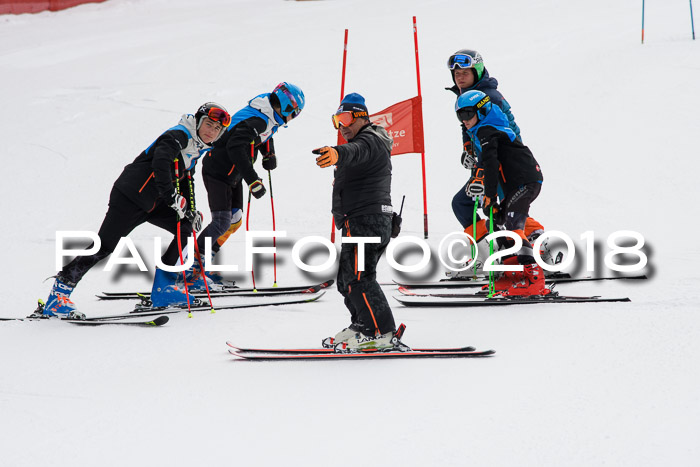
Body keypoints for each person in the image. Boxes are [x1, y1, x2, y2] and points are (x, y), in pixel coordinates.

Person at [41, 103, 231, 318]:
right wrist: (172, 196)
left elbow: (187, 177)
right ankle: (58, 296)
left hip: (155, 201)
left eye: (217, 129)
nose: (211, 131)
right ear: (197, 121)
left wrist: (191, 209)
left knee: (185, 228)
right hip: (131, 196)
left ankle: (164, 289)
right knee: (104, 246)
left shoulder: (196, 147)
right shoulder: (178, 135)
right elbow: (161, 162)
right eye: (208, 124)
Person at [185, 82, 305, 290]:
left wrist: (269, 154)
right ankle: (192, 270)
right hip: (218, 172)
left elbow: (266, 134)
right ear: (286, 107)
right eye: (294, 114)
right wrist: (253, 179)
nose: (293, 119)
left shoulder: (266, 115)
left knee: (234, 220)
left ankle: (204, 264)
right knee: (221, 222)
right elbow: (236, 147)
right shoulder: (257, 119)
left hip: (232, 174)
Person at [313, 93, 405, 351]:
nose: (341, 126)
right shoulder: (367, 141)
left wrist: (337, 153)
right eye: (336, 120)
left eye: (345, 119)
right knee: (346, 278)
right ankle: (363, 324)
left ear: (361, 117)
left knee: (360, 277)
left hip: (368, 220)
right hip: (361, 219)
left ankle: (381, 332)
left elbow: (355, 151)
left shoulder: (370, 140)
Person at [445, 50, 548, 274]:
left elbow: (504, 133)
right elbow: (468, 131)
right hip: (486, 162)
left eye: (465, 72)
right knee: (469, 205)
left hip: (500, 165)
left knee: (505, 209)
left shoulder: (488, 97)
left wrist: (497, 164)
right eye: (456, 73)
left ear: (477, 72)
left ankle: (539, 248)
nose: (459, 77)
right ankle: (491, 252)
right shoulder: (467, 96)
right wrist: (468, 151)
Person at [455, 90, 548, 296]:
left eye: (468, 114)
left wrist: (489, 195)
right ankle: (512, 274)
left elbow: (491, 163)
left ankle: (535, 279)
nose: (465, 120)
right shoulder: (484, 127)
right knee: (499, 221)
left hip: (526, 181)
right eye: (460, 115)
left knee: (514, 224)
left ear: (482, 110)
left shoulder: (487, 129)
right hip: (515, 184)